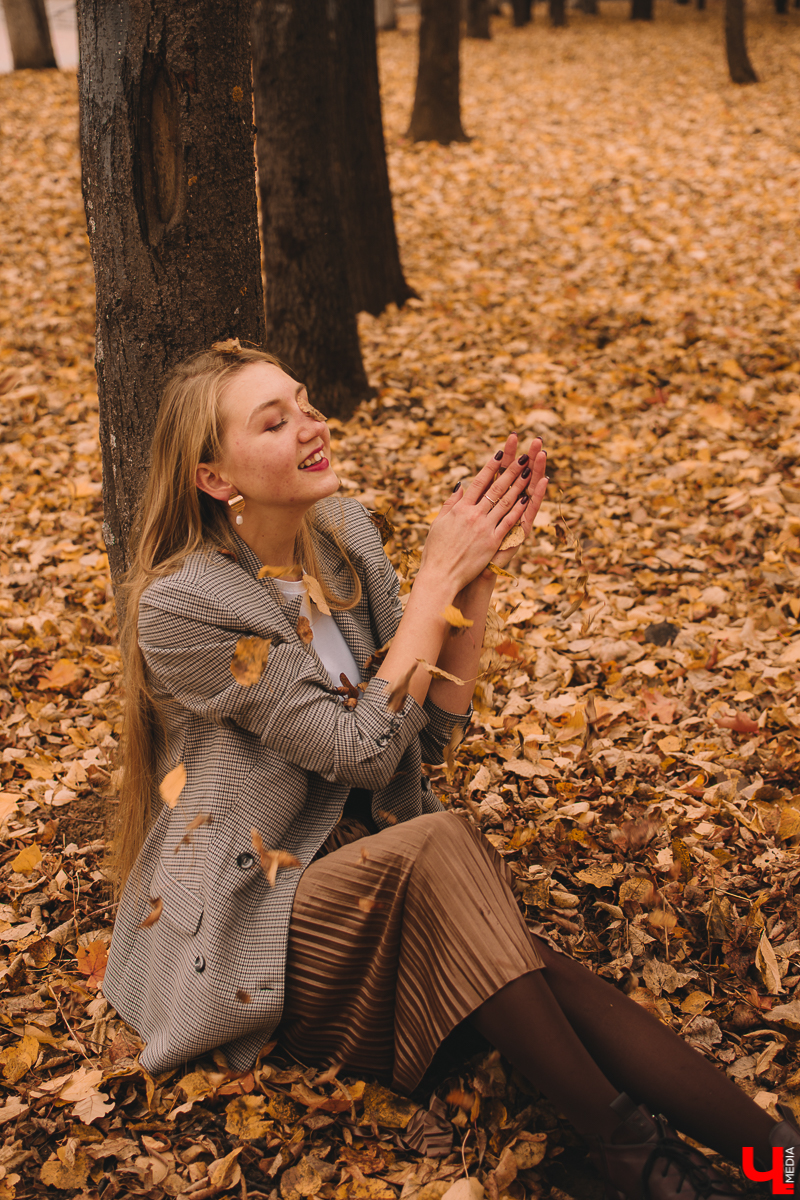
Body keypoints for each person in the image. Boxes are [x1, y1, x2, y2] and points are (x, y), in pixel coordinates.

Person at [104, 342, 798, 1200]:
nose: (311, 427)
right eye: (274, 421)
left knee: (538, 964)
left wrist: (473, 574)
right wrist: (434, 576)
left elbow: (424, 735)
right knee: (439, 848)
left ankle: (778, 1155)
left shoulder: (346, 534)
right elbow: (354, 744)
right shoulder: (185, 605)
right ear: (215, 479)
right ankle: (638, 1160)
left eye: (306, 403)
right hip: (261, 922)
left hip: (384, 874)